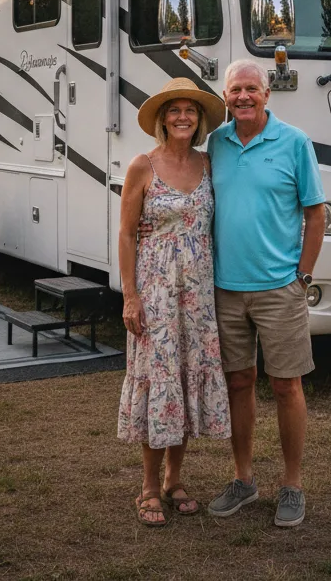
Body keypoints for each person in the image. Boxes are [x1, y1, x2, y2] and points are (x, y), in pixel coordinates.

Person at [206, 59, 326, 528]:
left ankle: (292, 486)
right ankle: (243, 479)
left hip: (280, 289)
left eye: (251, 89)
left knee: (286, 386)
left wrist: (303, 276)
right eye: (235, 89)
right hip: (226, 290)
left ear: (267, 94)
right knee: (238, 383)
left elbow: (314, 214)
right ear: (226, 96)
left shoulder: (294, 143)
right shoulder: (215, 143)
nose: (243, 97)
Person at [117, 77, 231, 527]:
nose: (183, 116)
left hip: (198, 292)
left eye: (190, 110)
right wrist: (130, 296)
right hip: (156, 291)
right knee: (158, 377)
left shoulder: (208, 164)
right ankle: (147, 486)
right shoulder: (142, 166)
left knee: (184, 378)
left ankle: (174, 479)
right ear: (163, 119)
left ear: (200, 120)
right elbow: (126, 233)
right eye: (174, 110)